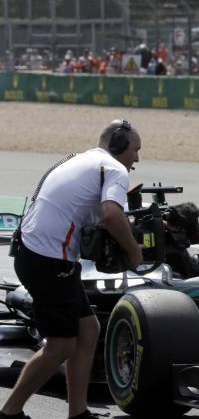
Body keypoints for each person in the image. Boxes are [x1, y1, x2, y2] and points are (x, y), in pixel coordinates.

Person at [0, 120, 144, 419]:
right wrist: (134, 250)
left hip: (38, 254)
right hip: (51, 261)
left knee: (88, 329)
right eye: (135, 150)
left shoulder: (82, 159)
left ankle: (78, 413)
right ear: (118, 146)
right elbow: (111, 214)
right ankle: (10, 412)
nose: (137, 159)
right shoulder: (113, 168)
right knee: (61, 345)